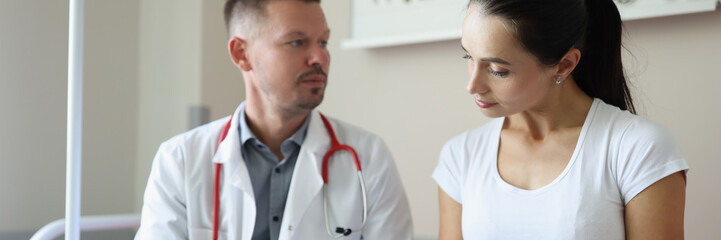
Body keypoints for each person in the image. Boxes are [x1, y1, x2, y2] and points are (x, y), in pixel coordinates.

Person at [135, 0, 413, 239]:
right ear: (241, 55)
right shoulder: (179, 161)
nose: (320, 57)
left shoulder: (369, 157)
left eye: (323, 41)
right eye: (296, 42)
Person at [433, 0, 688, 239]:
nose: (472, 85)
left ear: (564, 65)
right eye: (468, 57)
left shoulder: (637, 149)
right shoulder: (461, 157)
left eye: (498, 70)